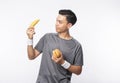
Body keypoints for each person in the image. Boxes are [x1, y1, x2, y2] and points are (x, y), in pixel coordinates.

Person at [26, 9, 83, 83]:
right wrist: (30, 38)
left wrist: (63, 62)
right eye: (56, 20)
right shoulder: (47, 37)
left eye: (60, 22)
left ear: (69, 25)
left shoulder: (76, 46)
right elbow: (31, 56)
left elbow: (78, 71)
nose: (56, 24)